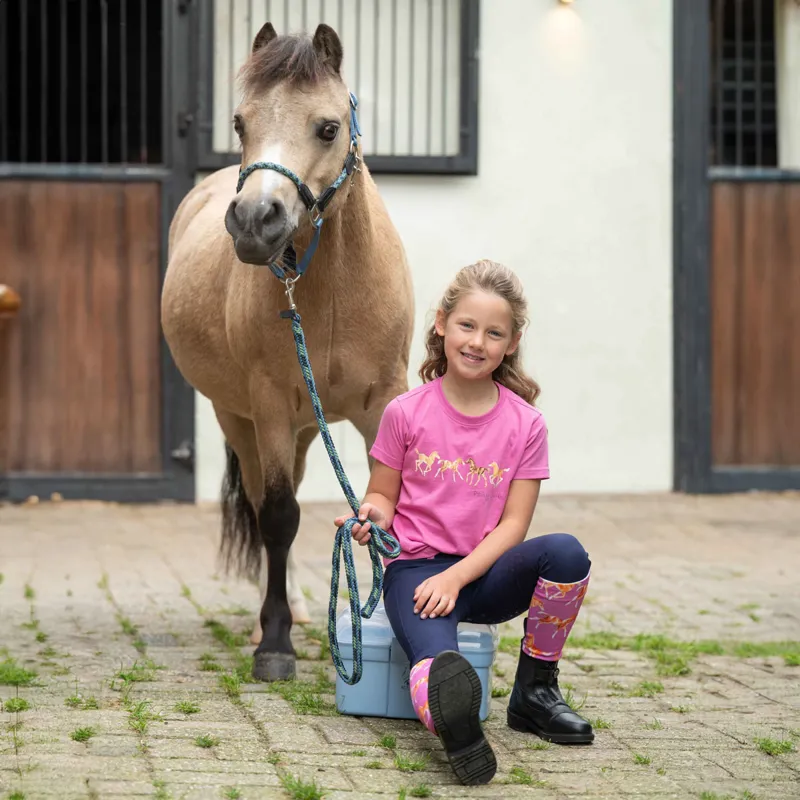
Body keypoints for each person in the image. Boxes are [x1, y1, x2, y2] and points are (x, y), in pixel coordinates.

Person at [333, 260, 593, 786]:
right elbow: (383, 493)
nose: (477, 342)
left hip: (482, 574)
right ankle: (459, 733)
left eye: (494, 332)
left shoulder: (526, 424)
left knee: (566, 552)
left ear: (511, 342)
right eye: (467, 326)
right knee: (437, 661)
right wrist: (370, 516)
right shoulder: (405, 412)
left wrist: (458, 577)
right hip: (416, 574)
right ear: (441, 325)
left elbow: (514, 526)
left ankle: (534, 694)